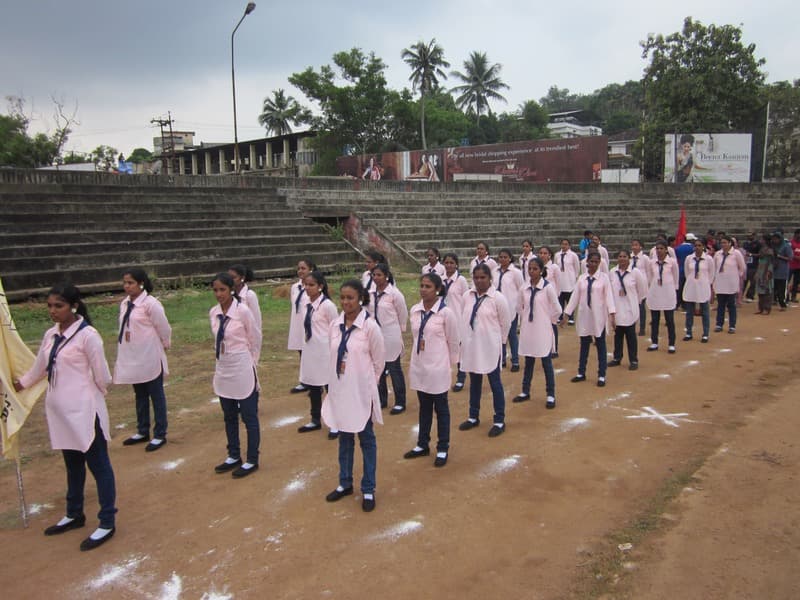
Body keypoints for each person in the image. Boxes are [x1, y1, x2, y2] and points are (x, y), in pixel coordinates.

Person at [13, 282, 117, 551]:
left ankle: (107, 521)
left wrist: (88, 396)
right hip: (60, 413)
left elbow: (102, 375)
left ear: (73, 305)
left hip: (83, 412)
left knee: (99, 465)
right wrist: (19, 384)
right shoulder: (50, 335)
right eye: (49, 306)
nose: (53, 311)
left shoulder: (88, 336)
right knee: (72, 465)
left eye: (58, 306)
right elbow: (39, 368)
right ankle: (74, 513)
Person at [322, 280, 385, 512]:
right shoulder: (335, 325)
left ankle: (368, 487)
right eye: (343, 298)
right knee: (345, 438)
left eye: (350, 298)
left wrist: (366, 387)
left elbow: (379, 362)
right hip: (340, 390)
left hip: (361, 391)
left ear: (360, 298)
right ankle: (344, 482)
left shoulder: (370, 327)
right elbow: (333, 356)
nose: (346, 302)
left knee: (366, 438)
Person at [404, 273, 460, 467]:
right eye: (421, 285)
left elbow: (453, 341)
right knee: (424, 406)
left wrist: (449, 365)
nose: (423, 289)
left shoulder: (446, 313)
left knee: (441, 408)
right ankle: (422, 444)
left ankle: (443, 447)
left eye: (427, 286)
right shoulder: (415, 310)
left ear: (437, 289)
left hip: (438, 366)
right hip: (420, 365)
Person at [210, 272, 262, 479]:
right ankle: (233, 454)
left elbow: (255, 337)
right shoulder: (213, 312)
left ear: (231, 289)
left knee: (249, 416)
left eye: (222, 289)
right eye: (215, 290)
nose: (219, 294)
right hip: (224, 367)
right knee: (229, 415)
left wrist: (252, 361)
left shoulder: (242, 312)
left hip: (242, 365)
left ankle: (252, 459)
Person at [113, 268, 172, 452]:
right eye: (125, 283)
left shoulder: (150, 304)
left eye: (130, 283)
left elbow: (163, 326)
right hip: (134, 356)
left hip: (150, 354)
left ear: (141, 283)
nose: (127, 286)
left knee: (156, 393)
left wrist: (164, 344)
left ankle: (160, 432)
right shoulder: (125, 304)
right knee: (139, 393)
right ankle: (142, 429)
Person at [458, 263, 512, 437]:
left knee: (495, 382)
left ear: (490, 278)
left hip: (490, 347)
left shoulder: (497, 298)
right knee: (474, 381)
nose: (479, 281)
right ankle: (473, 416)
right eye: (476, 277)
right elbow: (463, 318)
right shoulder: (467, 296)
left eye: (483, 277)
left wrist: (501, 343)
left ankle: (499, 419)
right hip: (472, 346)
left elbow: (506, 323)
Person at [561, 252, 616, 386]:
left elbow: (609, 296)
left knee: (600, 344)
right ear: (587, 263)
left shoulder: (604, 278)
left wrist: (612, 314)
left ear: (599, 263)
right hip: (585, 316)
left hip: (598, 316)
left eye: (596, 262)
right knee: (584, 344)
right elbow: (575, 297)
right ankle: (581, 372)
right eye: (591, 261)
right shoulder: (582, 278)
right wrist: (567, 313)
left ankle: (601, 374)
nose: (593, 264)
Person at [297, 271, 340, 437]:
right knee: (313, 386)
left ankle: (335, 421)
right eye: (305, 285)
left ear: (320, 287)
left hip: (325, 351)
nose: (307, 288)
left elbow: (336, 328)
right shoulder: (305, 303)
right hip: (310, 349)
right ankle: (315, 419)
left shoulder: (327, 305)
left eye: (311, 285)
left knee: (330, 387)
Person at [514, 258, 561, 407]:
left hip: (543, 329)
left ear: (541, 270)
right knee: (529, 361)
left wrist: (549, 320)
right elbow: (518, 307)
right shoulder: (524, 288)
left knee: (546, 362)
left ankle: (550, 394)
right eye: (530, 269)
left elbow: (557, 309)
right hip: (529, 329)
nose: (532, 271)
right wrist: (526, 318)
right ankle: (525, 391)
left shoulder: (547, 288)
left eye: (535, 269)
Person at [367, 263, 408, 414]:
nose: (376, 278)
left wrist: (401, 330)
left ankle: (400, 401)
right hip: (375, 334)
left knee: (394, 367)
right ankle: (382, 399)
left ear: (386, 276)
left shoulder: (394, 294)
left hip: (391, 334)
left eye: (379, 275)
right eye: (374, 275)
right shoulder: (370, 293)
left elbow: (402, 313)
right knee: (378, 367)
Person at [609, 250, 648, 369]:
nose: (622, 259)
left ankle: (633, 360)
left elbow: (642, 290)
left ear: (629, 258)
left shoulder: (635, 272)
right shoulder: (613, 272)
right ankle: (617, 357)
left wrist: (636, 302)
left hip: (630, 308)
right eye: (620, 256)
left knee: (631, 335)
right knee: (618, 334)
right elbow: (610, 291)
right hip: (617, 307)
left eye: (624, 256)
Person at [442, 253, 469, 392]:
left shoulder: (461, 280)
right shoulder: (440, 280)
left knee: (459, 349)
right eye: (446, 262)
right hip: (443, 319)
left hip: (458, 319)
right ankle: (443, 377)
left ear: (456, 264)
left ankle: (461, 377)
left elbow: (467, 299)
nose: (449, 265)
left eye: (452, 263)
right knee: (443, 348)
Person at [646, 241, 679, 353]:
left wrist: (674, 291)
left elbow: (676, 277)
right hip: (656, 292)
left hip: (668, 292)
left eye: (661, 248)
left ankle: (671, 343)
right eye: (657, 249)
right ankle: (654, 342)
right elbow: (650, 278)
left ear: (666, 250)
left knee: (669, 319)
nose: (659, 251)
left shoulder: (672, 262)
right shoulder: (651, 263)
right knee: (655, 319)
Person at [288, 259, 316, 394]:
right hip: (297, 323)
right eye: (299, 268)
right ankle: (305, 381)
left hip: (309, 323)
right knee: (301, 352)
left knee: (311, 353)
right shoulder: (295, 287)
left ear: (310, 269)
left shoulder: (313, 287)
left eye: (303, 268)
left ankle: (316, 383)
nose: (300, 271)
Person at [682, 239, 715, 342]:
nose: (697, 247)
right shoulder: (689, 258)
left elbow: (711, 273)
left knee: (705, 311)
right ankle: (688, 332)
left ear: (703, 247)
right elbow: (687, 272)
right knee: (689, 312)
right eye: (695, 245)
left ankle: (705, 334)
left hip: (703, 286)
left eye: (699, 245)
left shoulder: (708, 259)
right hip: (691, 286)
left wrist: (706, 283)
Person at [496, 248, 523, 371]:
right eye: (500, 257)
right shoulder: (494, 271)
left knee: (511, 335)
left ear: (510, 258)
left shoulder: (515, 272)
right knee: (499, 335)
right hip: (497, 308)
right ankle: (502, 359)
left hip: (511, 307)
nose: (502, 259)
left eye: (505, 257)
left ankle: (515, 360)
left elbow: (521, 289)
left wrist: (520, 305)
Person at [713, 235, 746, 333]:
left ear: (730, 243)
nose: (723, 245)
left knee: (731, 305)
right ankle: (719, 324)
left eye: (725, 243)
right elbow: (715, 268)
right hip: (720, 282)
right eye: (721, 243)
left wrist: (736, 276)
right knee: (720, 305)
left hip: (731, 283)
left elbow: (742, 267)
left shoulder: (736, 254)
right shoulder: (718, 254)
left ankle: (732, 325)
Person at [539, 245, 561, 357]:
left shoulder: (554, 267)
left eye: (545, 253)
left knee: (552, 323)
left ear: (549, 255)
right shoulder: (537, 267)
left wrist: (555, 298)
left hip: (551, 300)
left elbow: (558, 284)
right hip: (541, 300)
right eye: (541, 253)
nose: (542, 255)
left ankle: (554, 348)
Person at [229, 264, 262, 332]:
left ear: (242, 278)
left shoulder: (250, 295)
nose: (230, 280)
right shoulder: (229, 294)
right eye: (229, 278)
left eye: (233, 277)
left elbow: (256, 320)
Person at [630, 239, 651, 336]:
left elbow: (648, 272)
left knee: (641, 306)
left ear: (640, 246)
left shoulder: (645, 258)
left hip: (642, 285)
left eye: (636, 245)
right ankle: (632, 325)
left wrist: (647, 284)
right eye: (633, 245)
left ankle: (642, 327)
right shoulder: (629, 257)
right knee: (632, 305)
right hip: (632, 284)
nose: (634, 247)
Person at [556, 239, 580, 324]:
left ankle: (571, 317)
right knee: (560, 300)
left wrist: (575, 278)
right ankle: (560, 316)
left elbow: (577, 268)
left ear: (569, 246)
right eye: (562, 244)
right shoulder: (557, 255)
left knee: (570, 300)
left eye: (566, 244)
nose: (564, 246)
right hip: (560, 281)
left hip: (570, 281)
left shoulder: (573, 255)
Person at [771, 231, 792, 310]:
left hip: (783, 270)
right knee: (775, 288)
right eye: (774, 239)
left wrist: (779, 256)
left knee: (782, 289)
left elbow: (790, 258)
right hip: (774, 270)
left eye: (776, 239)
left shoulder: (786, 246)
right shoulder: (773, 246)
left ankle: (783, 304)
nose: (775, 240)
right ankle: (775, 300)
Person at [755, 240, 775, 315]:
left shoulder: (770, 252)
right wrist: (757, 273)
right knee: (760, 292)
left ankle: (767, 308)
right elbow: (759, 262)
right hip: (760, 272)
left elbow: (771, 264)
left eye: (762, 239)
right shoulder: (762, 251)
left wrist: (768, 272)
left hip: (766, 272)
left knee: (767, 292)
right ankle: (761, 308)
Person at [742, 231, 762, 302]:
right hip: (746, 264)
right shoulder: (745, 244)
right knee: (744, 281)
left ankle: (750, 295)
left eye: (750, 235)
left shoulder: (758, 244)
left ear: (754, 235)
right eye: (747, 235)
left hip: (754, 264)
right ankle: (740, 295)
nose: (748, 237)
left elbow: (760, 254)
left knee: (753, 281)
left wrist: (751, 254)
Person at [789, 229, 800, 303]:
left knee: (796, 282)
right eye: (798, 234)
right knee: (787, 280)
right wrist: (796, 257)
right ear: (795, 234)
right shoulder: (791, 243)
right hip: (790, 265)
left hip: (798, 266)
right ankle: (784, 297)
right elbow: (790, 253)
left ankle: (793, 297)